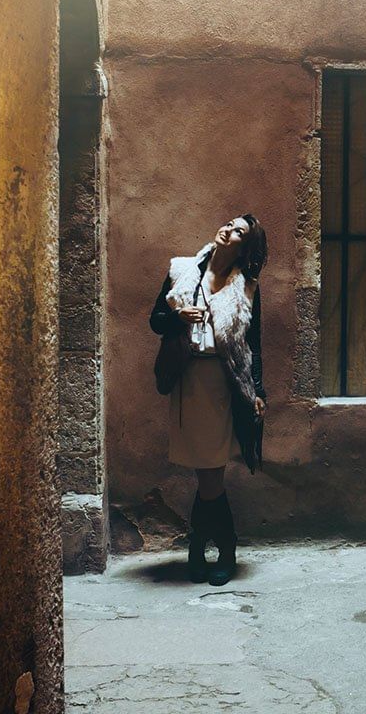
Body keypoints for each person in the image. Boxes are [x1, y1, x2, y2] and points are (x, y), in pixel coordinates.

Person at [149, 215, 268, 586]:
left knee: (211, 477)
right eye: (229, 224)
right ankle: (211, 548)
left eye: (238, 232)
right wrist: (177, 315)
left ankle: (210, 548)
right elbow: (155, 320)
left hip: (222, 384)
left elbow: (253, 344)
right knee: (207, 478)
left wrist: (258, 391)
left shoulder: (247, 287)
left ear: (245, 248)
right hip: (188, 385)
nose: (228, 230)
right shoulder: (182, 270)